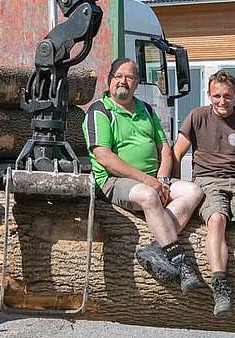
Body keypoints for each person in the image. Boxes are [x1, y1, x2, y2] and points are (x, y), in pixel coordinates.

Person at [84, 58, 204, 291]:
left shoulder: (146, 109)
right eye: (118, 76)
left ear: (137, 83)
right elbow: (104, 157)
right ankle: (180, 260)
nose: (123, 82)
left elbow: (165, 149)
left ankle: (156, 248)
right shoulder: (99, 111)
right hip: (113, 181)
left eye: (129, 77)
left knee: (193, 190)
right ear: (110, 80)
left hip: (153, 179)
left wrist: (162, 179)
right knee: (149, 197)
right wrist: (149, 182)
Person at [172, 70, 235, 316]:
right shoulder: (197, 117)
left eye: (227, 96)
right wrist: (175, 186)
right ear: (209, 95)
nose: (222, 101)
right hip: (208, 182)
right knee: (216, 220)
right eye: (216, 96)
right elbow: (176, 153)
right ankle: (220, 287)